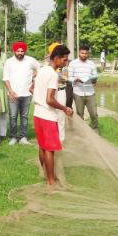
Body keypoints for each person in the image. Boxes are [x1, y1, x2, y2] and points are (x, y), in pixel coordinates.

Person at [33, 45, 73, 186]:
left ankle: (45, 176)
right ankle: (51, 181)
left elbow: (31, 88)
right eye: (64, 60)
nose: (65, 63)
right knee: (50, 149)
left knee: (42, 147)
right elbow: (49, 99)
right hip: (48, 116)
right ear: (56, 59)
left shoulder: (42, 70)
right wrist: (64, 108)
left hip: (37, 114)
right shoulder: (52, 74)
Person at [3, 41, 40, 145]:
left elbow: (39, 68)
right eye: (18, 51)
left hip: (27, 94)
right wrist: (10, 91)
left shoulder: (30, 60)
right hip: (13, 94)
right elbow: (5, 78)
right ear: (14, 51)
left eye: (22, 51)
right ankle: (13, 137)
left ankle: (23, 137)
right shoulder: (9, 62)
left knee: (24, 117)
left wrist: (34, 78)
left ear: (25, 51)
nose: (20, 53)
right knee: (13, 116)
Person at [69, 44, 99, 131]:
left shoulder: (92, 64)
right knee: (79, 114)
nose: (84, 55)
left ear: (88, 54)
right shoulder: (73, 63)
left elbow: (95, 76)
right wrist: (75, 79)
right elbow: (69, 77)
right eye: (82, 53)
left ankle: (95, 130)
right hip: (78, 92)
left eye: (86, 53)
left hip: (90, 92)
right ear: (79, 52)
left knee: (94, 113)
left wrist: (94, 80)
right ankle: (81, 132)